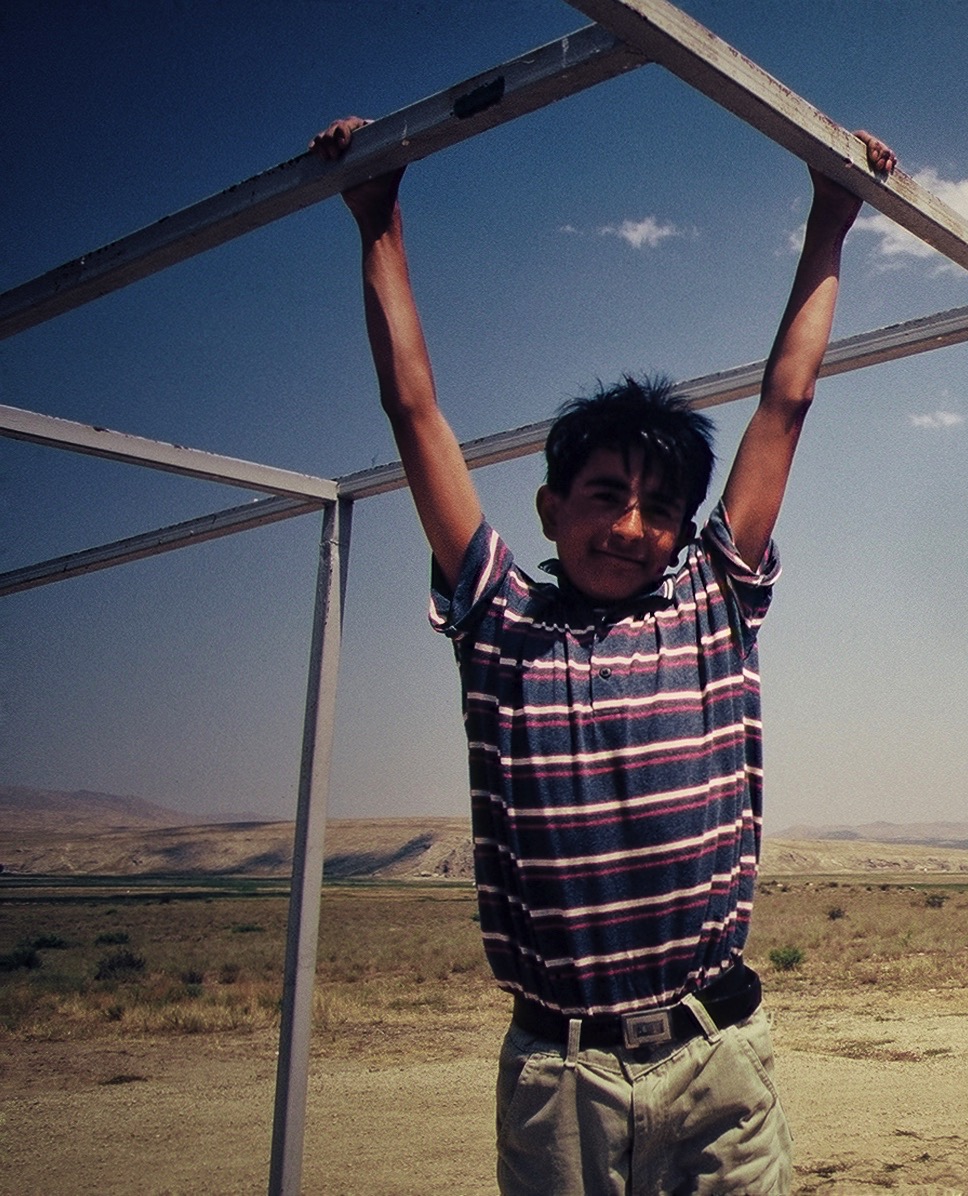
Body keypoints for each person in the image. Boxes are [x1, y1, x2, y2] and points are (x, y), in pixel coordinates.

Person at [311, 114, 896, 1196]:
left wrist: (832, 217)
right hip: (561, 1070)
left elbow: (786, 402)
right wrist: (377, 220)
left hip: (717, 1053)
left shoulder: (712, 606)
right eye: (604, 496)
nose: (631, 525)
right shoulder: (500, 623)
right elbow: (415, 409)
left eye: (658, 506)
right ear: (549, 506)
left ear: (684, 527)